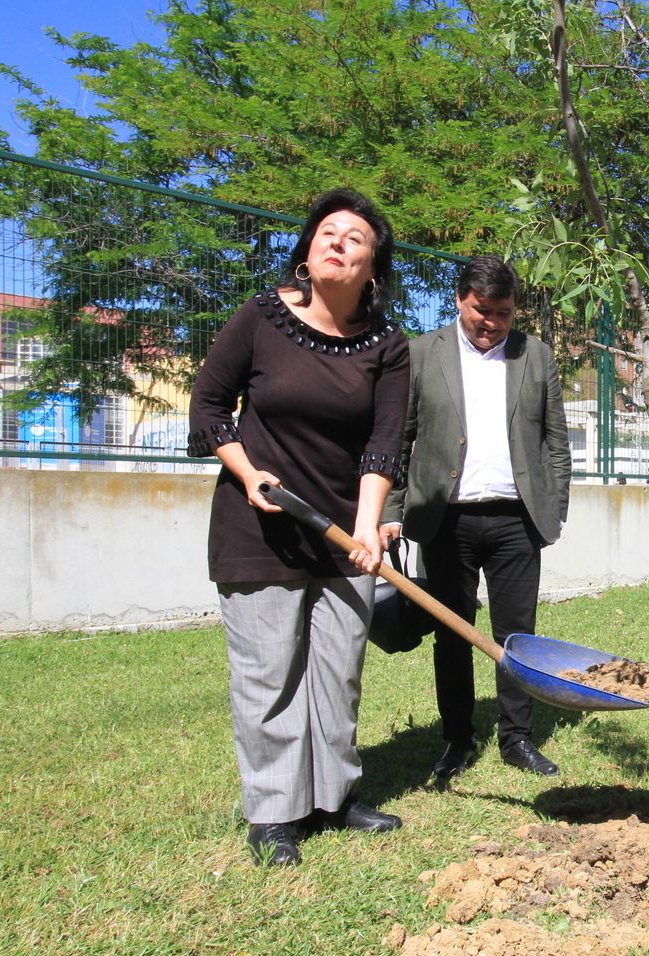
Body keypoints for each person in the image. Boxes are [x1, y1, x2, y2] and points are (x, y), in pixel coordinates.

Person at [188, 188, 409, 868]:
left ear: (372, 269)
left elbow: (384, 444)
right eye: (327, 232)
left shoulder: (388, 345)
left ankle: (333, 797)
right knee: (270, 675)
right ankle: (275, 813)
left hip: (343, 532)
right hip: (262, 527)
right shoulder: (261, 317)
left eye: (355, 237)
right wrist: (247, 471)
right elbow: (208, 405)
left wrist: (368, 527)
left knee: (338, 674)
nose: (338, 241)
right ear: (307, 252)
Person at [383, 256, 572, 780]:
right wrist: (391, 511)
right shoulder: (422, 353)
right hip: (446, 520)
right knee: (452, 633)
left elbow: (556, 441)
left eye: (503, 313)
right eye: (481, 310)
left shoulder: (536, 356)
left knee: (518, 637)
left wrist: (553, 509)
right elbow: (399, 440)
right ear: (459, 300)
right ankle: (458, 739)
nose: (491, 322)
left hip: (517, 520)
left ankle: (517, 737)